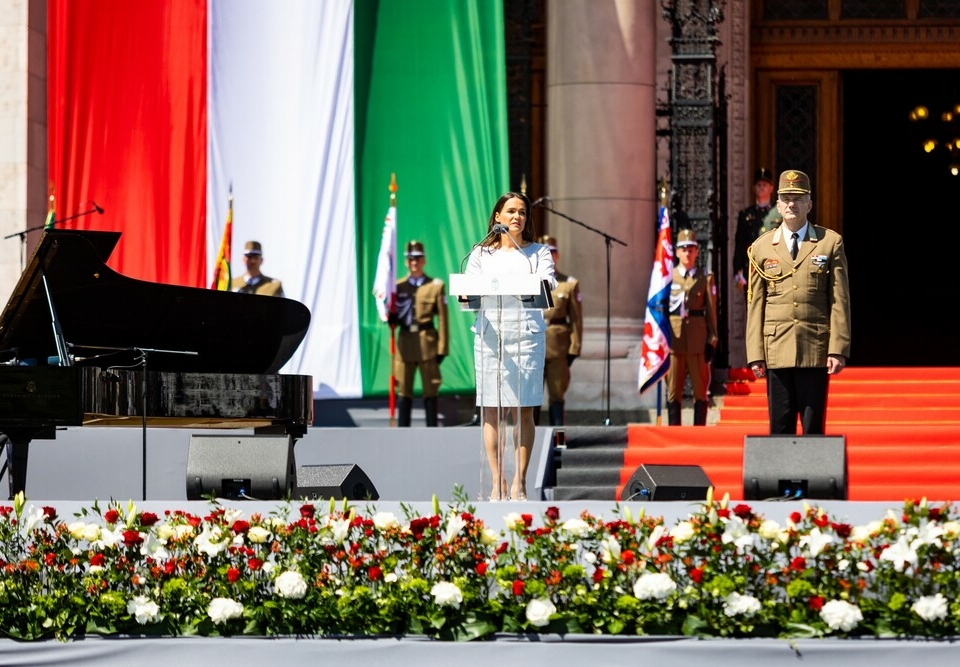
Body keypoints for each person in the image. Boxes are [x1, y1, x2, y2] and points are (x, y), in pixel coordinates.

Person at [745, 169, 851, 435]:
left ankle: (812, 479)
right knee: (779, 428)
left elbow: (840, 299)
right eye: (786, 198)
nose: (792, 204)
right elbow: (756, 303)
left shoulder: (829, 243)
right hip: (776, 350)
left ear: (809, 204)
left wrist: (837, 348)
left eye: (798, 198)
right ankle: (782, 478)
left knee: (813, 429)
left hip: (814, 349)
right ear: (778, 204)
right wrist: (755, 354)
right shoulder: (761, 248)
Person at [465, 191, 556, 500]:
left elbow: (547, 283)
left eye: (523, 212)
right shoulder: (480, 253)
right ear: (497, 217)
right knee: (491, 409)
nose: (518, 217)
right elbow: (469, 288)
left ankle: (519, 481)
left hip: (526, 336)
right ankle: (497, 482)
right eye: (511, 211)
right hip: (491, 336)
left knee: (522, 411)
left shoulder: (538, 252)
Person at [390, 240, 449, 427]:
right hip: (405, 343)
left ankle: (432, 431)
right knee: (403, 390)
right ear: (406, 262)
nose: (414, 262)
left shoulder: (436, 286)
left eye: (417, 258)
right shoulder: (397, 287)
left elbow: (443, 320)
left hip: (427, 344)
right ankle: (402, 432)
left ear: (424, 260)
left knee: (431, 389)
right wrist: (390, 318)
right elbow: (394, 312)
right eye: (410, 259)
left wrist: (442, 348)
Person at [665, 229, 719, 426]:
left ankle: (699, 433)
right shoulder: (667, 278)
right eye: (683, 249)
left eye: (691, 249)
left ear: (697, 252)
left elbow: (711, 312)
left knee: (700, 391)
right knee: (673, 391)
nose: (687, 253)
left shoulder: (705, 278)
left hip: (697, 342)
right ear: (677, 252)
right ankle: (673, 432)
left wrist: (712, 340)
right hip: (674, 341)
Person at [535, 234, 583, 426]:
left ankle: (559, 442)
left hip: (558, 348)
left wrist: (574, 349)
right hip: (533, 347)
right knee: (532, 399)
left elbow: (577, 320)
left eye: (552, 252)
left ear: (558, 256)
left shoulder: (569, 284)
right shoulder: (527, 282)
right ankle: (532, 445)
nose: (548, 256)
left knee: (557, 396)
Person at [733, 168, 782, 293]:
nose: (761, 187)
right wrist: (738, 270)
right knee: (752, 308)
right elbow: (740, 243)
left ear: (771, 188)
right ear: (754, 188)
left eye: (765, 185)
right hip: (751, 268)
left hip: (774, 266)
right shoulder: (746, 214)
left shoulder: (779, 213)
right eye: (759, 185)